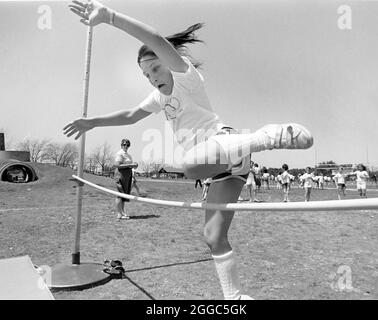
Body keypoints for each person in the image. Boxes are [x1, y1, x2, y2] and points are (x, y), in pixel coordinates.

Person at [64, 0, 313, 300]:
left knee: (189, 166)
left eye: (155, 68)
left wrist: (110, 17)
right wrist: (92, 123)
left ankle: (267, 137)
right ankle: (234, 297)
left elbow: (154, 39)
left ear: (169, 61)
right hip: (224, 169)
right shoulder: (158, 98)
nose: (153, 77)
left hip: (224, 144)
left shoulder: (186, 77)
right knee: (213, 237)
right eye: (147, 75)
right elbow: (130, 115)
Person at [113, 139, 138, 219]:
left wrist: (134, 166)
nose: (126, 146)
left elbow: (130, 166)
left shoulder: (128, 155)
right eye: (124, 145)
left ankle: (123, 212)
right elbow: (117, 165)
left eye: (127, 145)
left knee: (124, 195)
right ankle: (119, 214)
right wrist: (130, 164)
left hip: (127, 176)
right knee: (119, 194)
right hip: (120, 175)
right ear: (121, 145)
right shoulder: (120, 153)